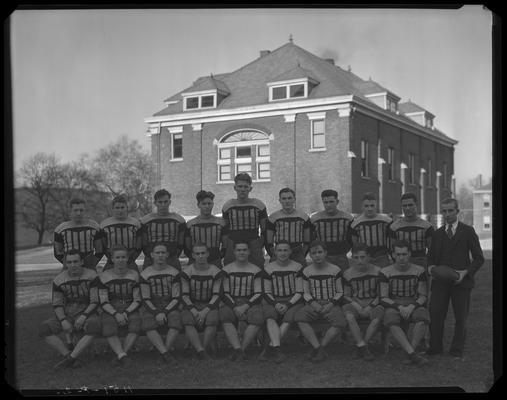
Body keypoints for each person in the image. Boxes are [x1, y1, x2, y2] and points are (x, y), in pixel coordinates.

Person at [426, 198, 484, 359]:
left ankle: (456, 349)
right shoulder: (437, 234)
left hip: (461, 282)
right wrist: (431, 268)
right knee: (435, 313)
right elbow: (430, 258)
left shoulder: (468, 231)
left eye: (450, 210)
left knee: (460, 318)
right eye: (444, 211)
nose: (447, 214)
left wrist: (465, 272)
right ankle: (435, 347)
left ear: (457, 211)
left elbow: (479, 258)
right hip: (440, 282)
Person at [39, 250, 102, 370]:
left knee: (95, 325)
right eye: (69, 262)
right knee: (44, 329)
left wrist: (84, 316)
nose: (73, 265)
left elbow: (95, 300)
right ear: (65, 264)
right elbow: (57, 304)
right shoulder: (58, 280)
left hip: (87, 311)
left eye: (75, 261)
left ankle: (71, 359)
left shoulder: (92, 276)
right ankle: (68, 355)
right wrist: (63, 320)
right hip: (67, 313)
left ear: (82, 262)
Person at [294, 240, 347, 362]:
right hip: (314, 303)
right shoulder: (306, 271)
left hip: (330, 303)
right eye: (314, 253)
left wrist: (331, 304)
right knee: (299, 318)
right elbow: (305, 292)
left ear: (325, 253)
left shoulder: (335, 270)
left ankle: (321, 347)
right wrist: (314, 304)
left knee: (340, 322)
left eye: (320, 252)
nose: (317, 255)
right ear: (310, 255)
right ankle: (317, 347)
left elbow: (340, 292)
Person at [379, 240, 429, 366]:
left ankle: (409, 351)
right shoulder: (385, 271)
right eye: (398, 254)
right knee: (391, 321)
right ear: (393, 255)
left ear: (410, 254)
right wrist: (399, 307)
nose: (401, 257)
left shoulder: (420, 270)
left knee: (422, 318)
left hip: (413, 301)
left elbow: (423, 295)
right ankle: (412, 354)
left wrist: (412, 306)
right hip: (394, 302)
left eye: (404, 254)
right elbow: (383, 297)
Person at [260, 240, 304, 363]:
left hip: (293, 300)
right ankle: (277, 350)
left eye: (285, 250)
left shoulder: (297, 267)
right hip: (274, 300)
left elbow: (300, 291)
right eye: (279, 250)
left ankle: (270, 348)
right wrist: (276, 304)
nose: (282, 253)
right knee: (270, 316)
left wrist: (288, 304)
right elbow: (266, 292)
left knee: (288, 318)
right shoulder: (269, 268)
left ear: (290, 251)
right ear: (274, 252)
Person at [219, 242, 264, 361]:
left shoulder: (256, 270)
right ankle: (238, 349)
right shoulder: (226, 270)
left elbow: (259, 293)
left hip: (250, 301)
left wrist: (245, 306)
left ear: (249, 252)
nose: (242, 252)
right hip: (231, 301)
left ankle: (241, 350)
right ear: (234, 252)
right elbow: (225, 293)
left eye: (244, 250)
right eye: (239, 250)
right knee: (224, 315)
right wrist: (234, 307)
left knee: (257, 317)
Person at [98, 245, 142, 366]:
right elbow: (103, 300)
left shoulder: (134, 275)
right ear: (112, 259)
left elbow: (137, 299)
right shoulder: (104, 276)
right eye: (118, 257)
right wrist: (116, 314)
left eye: (123, 257)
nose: (121, 260)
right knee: (108, 325)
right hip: (111, 307)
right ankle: (122, 356)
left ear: (128, 258)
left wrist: (126, 313)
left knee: (136, 323)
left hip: (129, 306)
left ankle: (121, 354)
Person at [180, 243, 224, 359]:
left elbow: (216, 295)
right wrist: (194, 311)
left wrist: (205, 311)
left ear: (208, 254)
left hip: (209, 303)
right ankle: (200, 350)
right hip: (192, 303)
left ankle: (202, 349)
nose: (200, 256)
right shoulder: (186, 272)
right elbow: (184, 296)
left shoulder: (215, 271)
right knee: (187, 320)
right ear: (193, 255)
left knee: (212, 319)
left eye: (203, 253)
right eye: (197, 253)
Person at [139, 243, 181, 363]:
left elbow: (176, 296)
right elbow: (145, 298)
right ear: (152, 255)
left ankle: (164, 351)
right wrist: (157, 312)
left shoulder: (174, 272)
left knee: (176, 319)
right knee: (148, 323)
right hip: (152, 305)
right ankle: (165, 353)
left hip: (170, 304)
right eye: (157, 253)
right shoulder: (145, 274)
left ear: (167, 254)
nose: (160, 255)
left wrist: (166, 311)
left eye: (163, 252)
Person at [342, 243, 384, 361]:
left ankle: (361, 346)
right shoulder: (348, 273)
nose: (359, 261)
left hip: (373, 302)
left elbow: (381, 294)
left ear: (369, 257)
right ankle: (362, 346)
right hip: (355, 303)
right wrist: (357, 306)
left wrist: (370, 306)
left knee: (376, 319)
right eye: (356, 258)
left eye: (362, 257)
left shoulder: (378, 272)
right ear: (352, 258)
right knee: (349, 316)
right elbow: (346, 295)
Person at [222, 173, 268, 268]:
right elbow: (225, 230)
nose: (243, 189)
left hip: (253, 242)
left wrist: (260, 244)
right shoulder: (228, 206)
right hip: (233, 243)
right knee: (230, 270)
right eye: (240, 186)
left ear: (250, 188)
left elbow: (265, 229)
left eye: (245, 187)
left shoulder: (259, 205)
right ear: (235, 188)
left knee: (257, 269)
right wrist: (226, 246)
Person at [140, 189, 186, 270]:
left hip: (172, 258)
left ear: (170, 202)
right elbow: (144, 243)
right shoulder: (146, 220)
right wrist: (150, 255)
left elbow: (181, 242)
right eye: (160, 202)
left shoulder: (179, 220)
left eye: (165, 202)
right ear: (155, 203)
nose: (163, 205)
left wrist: (174, 255)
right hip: (151, 259)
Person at [265, 188, 311, 267]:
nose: (287, 201)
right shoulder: (273, 217)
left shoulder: (303, 216)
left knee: (300, 275)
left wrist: (303, 254)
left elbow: (307, 240)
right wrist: (274, 253)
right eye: (284, 198)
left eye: (290, 198)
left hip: (297, 252)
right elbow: (269, 242)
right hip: (279, 252)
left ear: (294, 199)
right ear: (280, 200)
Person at [53, 198, 103, 270]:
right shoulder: (60, 229)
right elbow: (58, 253)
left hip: (89, 268)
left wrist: (92, 264)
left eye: (81, 210)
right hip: (68, 269)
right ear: (70, 211)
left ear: (85, 211)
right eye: (75, 210)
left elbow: (100, 250)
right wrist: (69, 265)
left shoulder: (94, 227)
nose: (78, 213)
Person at [310, 189, 353, 270]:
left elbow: (351, 239)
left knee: (343, 280)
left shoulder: (347, 218)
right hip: (323, 258)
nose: (328, 205)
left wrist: (344, 251)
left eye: (331, 202)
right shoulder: (315, 219)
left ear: (337, 201)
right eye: (326, 202)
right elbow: (311, 240)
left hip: (341, 257)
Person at [184, 190, 229, 268]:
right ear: (198, 205)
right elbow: (187, 247)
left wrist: (219, 256)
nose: (207, 206)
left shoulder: (221, 223)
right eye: (204, 204)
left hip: (215, 261)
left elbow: (225, 246)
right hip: (195, 262)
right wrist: (194, 257)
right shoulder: (190, 224)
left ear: (213, 204)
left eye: (209, 203)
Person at [388, 193, 434, 268]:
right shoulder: (394, 227)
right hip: (401, 265)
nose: (407, 208)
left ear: (416, 205)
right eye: (404, 206)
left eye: (410, 205)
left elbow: (432, 250)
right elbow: (391, 249)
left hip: (421, 265)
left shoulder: (427, 226)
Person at [100, 195, 142, 271]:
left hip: (130, 262)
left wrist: (132, 258)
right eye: (117, 208)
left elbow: (139, 245)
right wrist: (110, 257)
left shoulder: (135, 223)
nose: (120, 210)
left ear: (127, 208)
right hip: (111, 262)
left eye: (122, 207)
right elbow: (102, 245)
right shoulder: (104, 224)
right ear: (112, 209)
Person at [351, 192, 393, 268]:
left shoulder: (386, 221)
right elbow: (355, 244)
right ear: (362, 207)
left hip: (382, 258)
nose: (369, 209)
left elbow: (391, 242)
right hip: (365, 259)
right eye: (366, 206)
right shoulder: (356, 223)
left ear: (376, 206)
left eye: (372, 206)